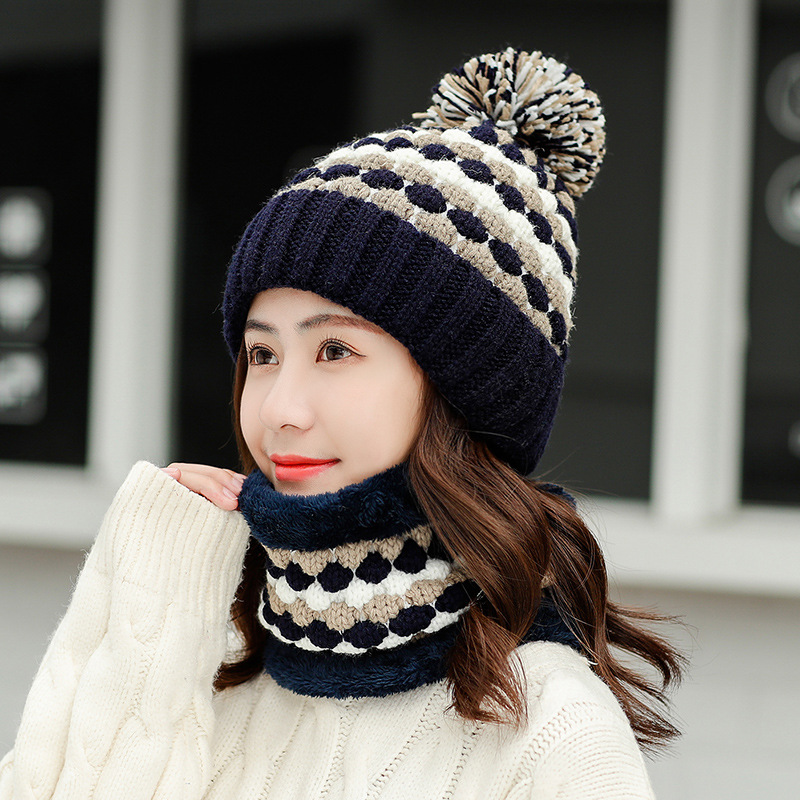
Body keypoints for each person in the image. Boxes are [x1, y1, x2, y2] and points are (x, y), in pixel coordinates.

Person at [0, 48, 683, 799]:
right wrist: (152, 594)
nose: (280, 411)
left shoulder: (551, 730)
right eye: (263, 354)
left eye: (335, 351)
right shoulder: (209, 656)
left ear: (463, 393)